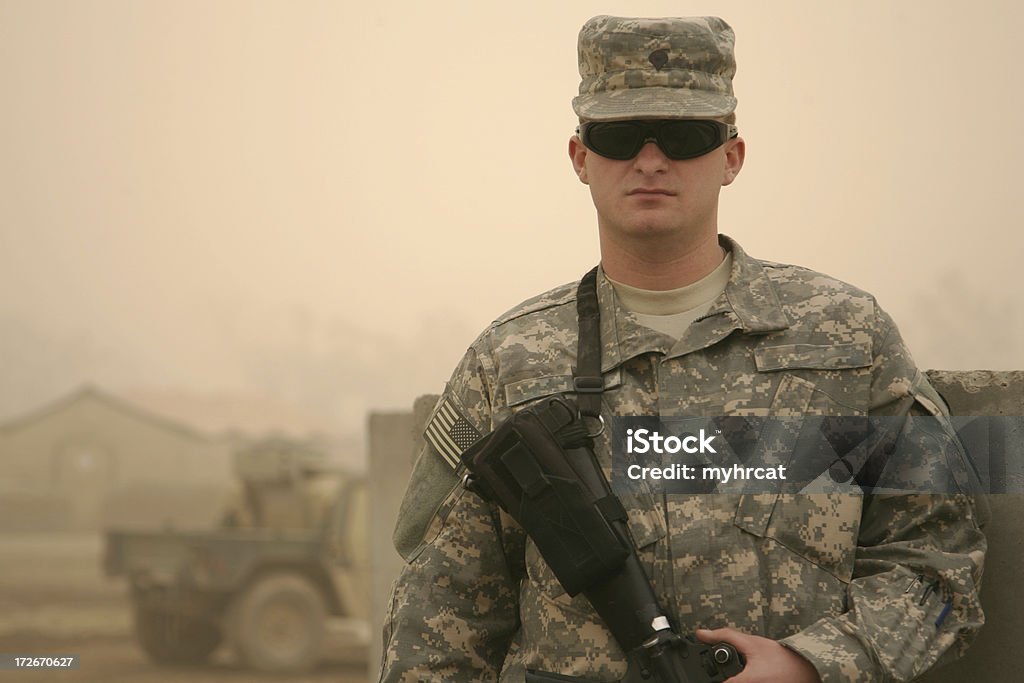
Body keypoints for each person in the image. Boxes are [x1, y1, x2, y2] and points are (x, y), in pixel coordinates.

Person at [379, 15, 986, 683]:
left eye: (684, 135)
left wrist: (812, 665)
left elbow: (940, 567)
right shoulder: (509, 360)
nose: (650, 160)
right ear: (580, 157)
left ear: (731, 156)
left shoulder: (846, 340)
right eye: (617, 135)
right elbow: (438, 626)